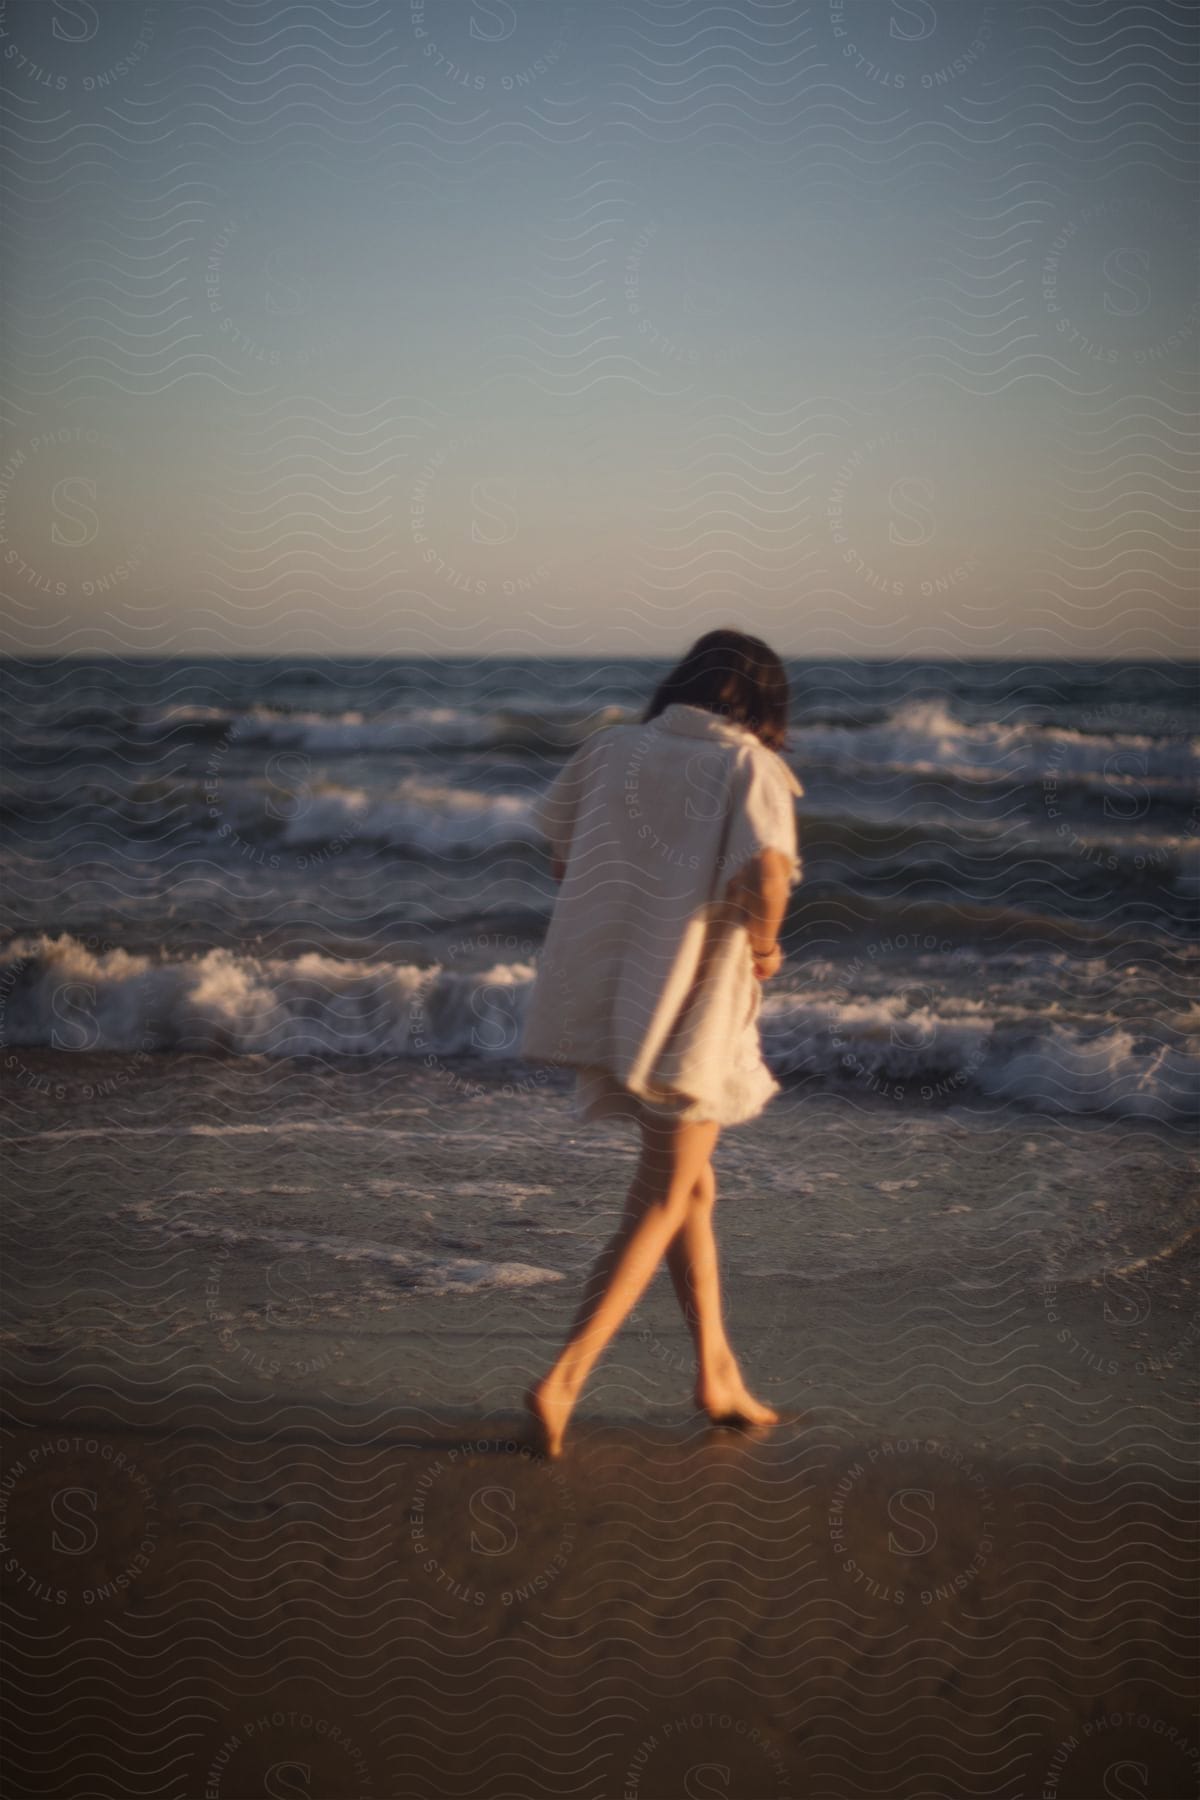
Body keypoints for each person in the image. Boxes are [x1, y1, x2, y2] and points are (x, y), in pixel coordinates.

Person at [519, 629, 804, 1457]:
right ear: (761, 703)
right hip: (694, 1008)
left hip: (617, 992)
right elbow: (770, 873)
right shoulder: (747, 764)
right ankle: (564, 1378)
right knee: (663, 1193)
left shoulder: (612, 750)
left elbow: (562, 855)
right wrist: (763, 945)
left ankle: (716, 1371)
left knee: (692, 1189)